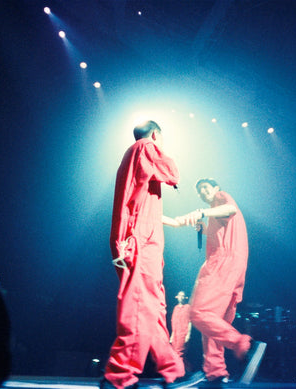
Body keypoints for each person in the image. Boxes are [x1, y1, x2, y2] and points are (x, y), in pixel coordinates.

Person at [102, 120, 192, 389]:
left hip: (142, 238)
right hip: (139, 240)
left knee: (153, 308)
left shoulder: (136, 156)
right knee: (140, 306)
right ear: (155, 135)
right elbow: (173, 173)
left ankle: (173, 371)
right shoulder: (146, 146)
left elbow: (138, 203)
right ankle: (119, 376)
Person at [176, 178, 266, 386]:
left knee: (199, 313)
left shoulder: (220, 198)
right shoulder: (217, 216)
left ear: (216, 188)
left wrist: (202, 212)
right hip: (235, 265)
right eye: (199, 191)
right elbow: (220, 230)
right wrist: (203, 228)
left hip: (222, 263)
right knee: (215, 322)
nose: (202, 193)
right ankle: (216, 373)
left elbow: (229, 209)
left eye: (205, 188)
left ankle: (245, 345)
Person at [170, 291, 192, 369]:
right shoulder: (176, 308)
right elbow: (174, 322)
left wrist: (188, 334)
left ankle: (179, 372)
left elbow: (190, 321)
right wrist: (172, 336)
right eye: (180, 295)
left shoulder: (188, 307)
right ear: (177, 297)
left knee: (179, 352)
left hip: (183, 334)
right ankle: (188, 370)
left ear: (185, 297)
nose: (181, 297)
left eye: (183, 296)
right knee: (175, 354)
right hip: (175, 334)